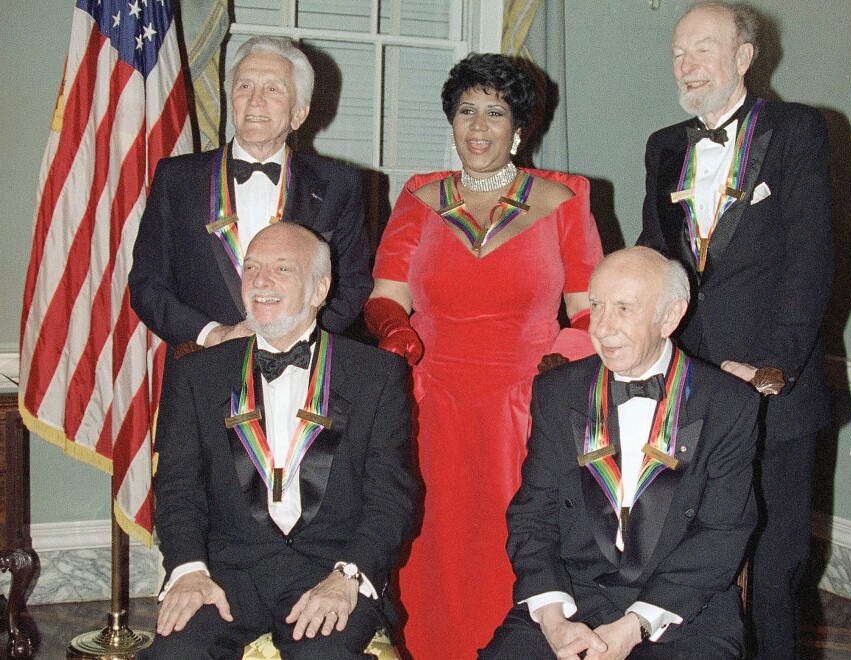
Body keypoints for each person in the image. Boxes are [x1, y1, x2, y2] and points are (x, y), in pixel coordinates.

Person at [366, 53, 604, 658]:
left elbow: (589, 311)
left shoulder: (566, 199)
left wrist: (562, 357)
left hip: (522, 406)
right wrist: (397, 334)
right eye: (467, 111)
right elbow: (384, 298)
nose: (478, 127)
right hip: (430, 403)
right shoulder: (421, 197)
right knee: (429, 548)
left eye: (494, 113)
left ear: (519, 126)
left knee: (512, 544)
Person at [638, 3, 833, 658]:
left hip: (773, 395)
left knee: (773, 575)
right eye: (677, 53)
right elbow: (652, 260)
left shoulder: (798, 131)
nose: (686, 66)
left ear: (745, 57)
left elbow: (813, 261)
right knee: (683, 563)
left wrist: (776, 366)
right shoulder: (663, 145)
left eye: (702, 49)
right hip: (687, 395)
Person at [141, 223, 416, 658]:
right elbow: (177, 489)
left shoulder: (375, 376)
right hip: (224, 572)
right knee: (175, 653)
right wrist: (188, 568)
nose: (260, 281)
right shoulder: (198, 375)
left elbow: (391, 498)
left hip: (329, 569)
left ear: (319, 288)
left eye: (281, 268)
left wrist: (349, 576)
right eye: (251, 268)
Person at [481, 247, 759, 660]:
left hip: (682, 607)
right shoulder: (559, 394)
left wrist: (634, 626)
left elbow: (721, 533)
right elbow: (532, 516)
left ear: (670, 317)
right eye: (597, 306)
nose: (603, 328)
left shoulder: (726, 404)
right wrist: (555, 621)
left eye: (624, 309)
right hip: (575, 595)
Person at [129, 36, 372, 359]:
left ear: (299, 113)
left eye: (273, 89)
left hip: (303, 373)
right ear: (231, 100)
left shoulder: (340, 186)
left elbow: (352, 286)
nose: (255, 100)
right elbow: (147, 285)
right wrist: (213, 334)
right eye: (244, 86)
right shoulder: (176, 180)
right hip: (201, 371)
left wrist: (292, 339)